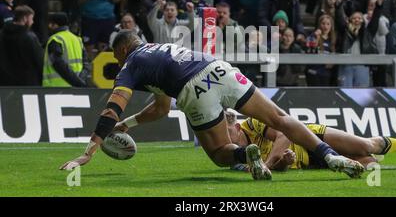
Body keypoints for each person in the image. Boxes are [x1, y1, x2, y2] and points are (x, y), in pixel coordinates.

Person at [60, 31, 366, 180]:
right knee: (280, 118)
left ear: (122, 49)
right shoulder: (159, 49)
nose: (117, 61)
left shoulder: (130, 64)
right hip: (219, 68)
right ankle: (332, 158)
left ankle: (244, 156)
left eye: (117, 55)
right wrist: (128, 126)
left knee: (219, 154)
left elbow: (111, 109)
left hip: (193, 88)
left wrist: (88, 153)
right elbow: (161, 108)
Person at [224, 110, 396, 172]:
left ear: (235, 127)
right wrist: (284, 162)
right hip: (310, 160)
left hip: (311, 136)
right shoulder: (236, 156)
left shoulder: (253, 123)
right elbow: (280, 165)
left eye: (226, 133)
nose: (226, 140)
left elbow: (284, 135)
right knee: (370, 164)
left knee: (366, 145)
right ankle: (375, 157)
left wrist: (268, 165)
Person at [0, 5, 43, 86]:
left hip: (4, 83)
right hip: (26, 83)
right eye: (31, 19)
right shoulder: (29, 37)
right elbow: (39, 60)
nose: (32, 22)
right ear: (24, 18)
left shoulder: (1, 34)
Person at [42, 12, 88, 87]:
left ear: (54, 25)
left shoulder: (55, 39)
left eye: (50, 23)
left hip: (56, 87)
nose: (48, 26)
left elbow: (58, 64)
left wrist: (76, 82)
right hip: (77, 88)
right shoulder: (77, 39)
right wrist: (80, 81)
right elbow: (86, 64)